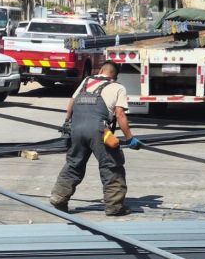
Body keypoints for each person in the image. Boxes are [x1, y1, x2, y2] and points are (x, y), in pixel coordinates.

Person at [49, 60, 140, 216]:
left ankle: (59, 198)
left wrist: (66, 123)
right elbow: (120, 114)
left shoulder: (86, 81)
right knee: (112, 166)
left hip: (76, 129)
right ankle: (114, 207)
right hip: (99, 131)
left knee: (74, 164)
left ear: (101, 70)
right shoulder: (118, 87)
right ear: (115, 75)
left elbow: (71, 102)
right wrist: (130, 138)